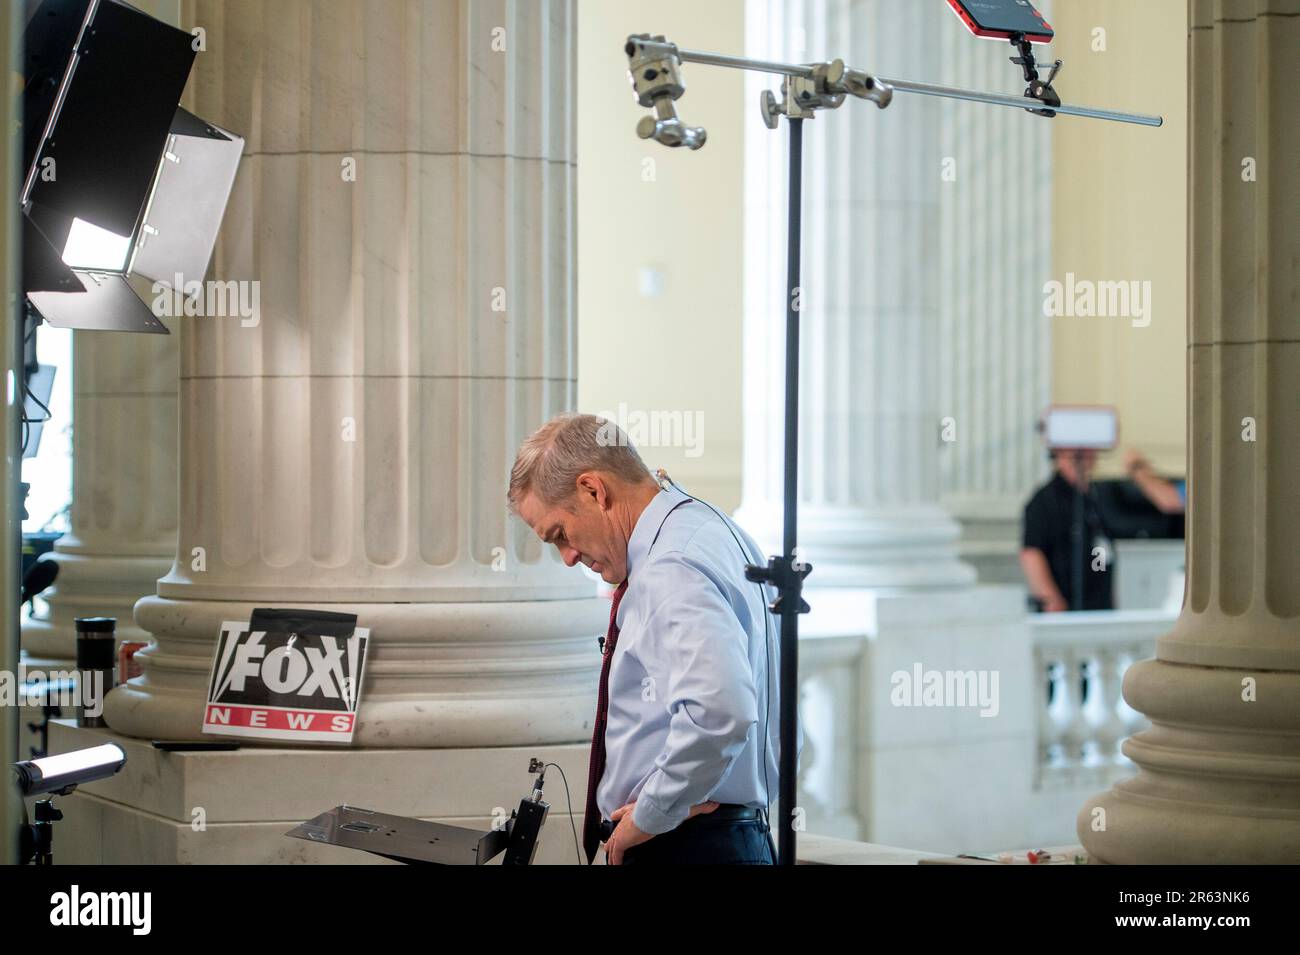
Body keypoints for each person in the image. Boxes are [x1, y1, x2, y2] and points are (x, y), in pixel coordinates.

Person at [507, 412, 785, 865]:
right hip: (721, 833)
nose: (568, 556)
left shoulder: (670, 565)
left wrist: (653, 813)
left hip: (689, 846)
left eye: (560, 535)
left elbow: (721, 711)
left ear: (594, 491)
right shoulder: (715, 530)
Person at [1020, 447, 1116, 611]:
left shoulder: (1095, 496)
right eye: (1077, 453)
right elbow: (1031, 553)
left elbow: (1100, 548)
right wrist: (1051, 600)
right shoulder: (1045, 501)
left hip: (1097, 606)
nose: (1086, 458)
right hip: (1066, 607)